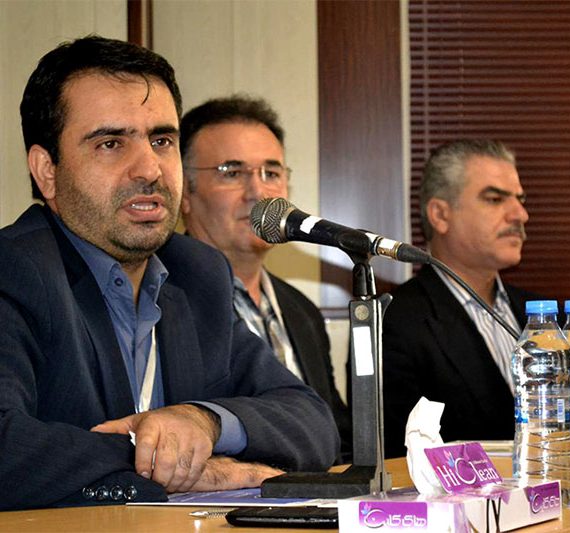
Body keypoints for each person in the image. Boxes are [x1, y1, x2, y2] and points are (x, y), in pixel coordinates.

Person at [0, 36, 339, 511]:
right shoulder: (14, 271)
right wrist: (187, 467)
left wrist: (204, 422)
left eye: (162, 141)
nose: (150, 169)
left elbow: (312, 422)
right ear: (47, 170)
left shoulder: (195, 272)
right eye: (111, 143)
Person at [179, 95, 351, 461]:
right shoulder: (161, 300)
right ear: (184, 193)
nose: (258, 193)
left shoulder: (301, 311)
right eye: (232, 172)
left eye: (271, 174)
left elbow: (337, 435)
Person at [382, 139, 538, 457]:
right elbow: (399, 452)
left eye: (520, 200)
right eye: (495, 199)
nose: (520, 214)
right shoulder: (395, 320)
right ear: (440, 215)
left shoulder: (545, 317)